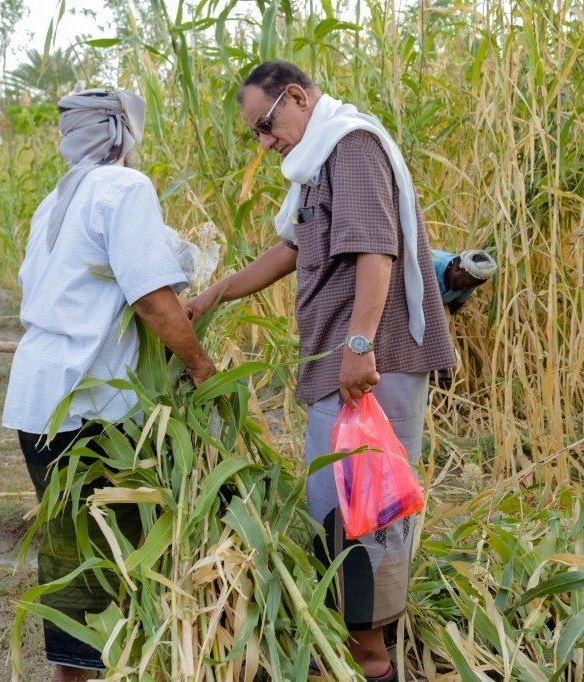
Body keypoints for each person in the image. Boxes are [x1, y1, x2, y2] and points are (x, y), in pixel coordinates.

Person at [186, 61, 456, 681]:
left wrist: (358, 345)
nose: (265, 140)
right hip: (344, 359)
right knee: (337, 500)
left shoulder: (351, 147)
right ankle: (361, 636)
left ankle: (373, 657)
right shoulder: (314, 165)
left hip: (367, 361)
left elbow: (374, 250)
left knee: (367, 504)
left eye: (266, 123)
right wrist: (218, 294)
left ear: (298, 97)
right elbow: (289, 248)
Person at [2, 90, 215, 682]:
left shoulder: (57, 200)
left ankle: (79, 671)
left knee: (70, 541)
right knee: (110, 543)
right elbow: (151, 296)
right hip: (89, 400)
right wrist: (201, 366)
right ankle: (100, 668)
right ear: (123, 134)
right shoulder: (124, 188)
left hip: (39, 396)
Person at [431, 248, 496, 314]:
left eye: (471, 287)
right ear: (457, 267)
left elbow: (454, 306)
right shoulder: (431, 264)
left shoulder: (470, 283)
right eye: (464, 284)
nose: (466, 289)